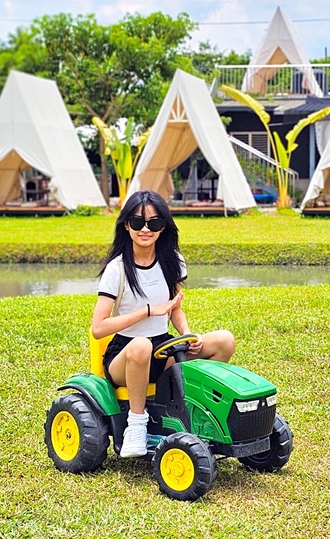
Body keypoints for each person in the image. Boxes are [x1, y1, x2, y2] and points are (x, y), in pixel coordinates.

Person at [89, 190, 235, 458]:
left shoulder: (172, 261)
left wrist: (188, 333)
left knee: (224, 339)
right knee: (142, 345)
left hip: (164, 347)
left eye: (154, 223)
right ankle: (136, 424)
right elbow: (98, 327)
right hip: (126, 353)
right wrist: (146, 311)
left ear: (163, 226)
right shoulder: (117, 269)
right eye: (137, 222)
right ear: (126, 225)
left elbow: (175, 308)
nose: (145, 229)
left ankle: (198, 410)